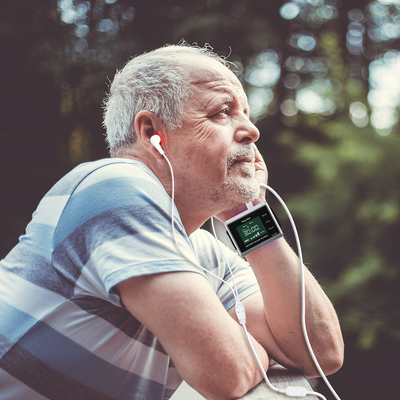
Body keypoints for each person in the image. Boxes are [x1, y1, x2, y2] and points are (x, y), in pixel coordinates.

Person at [0, 43, 344, 400]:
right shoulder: (114, 185)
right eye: (222, 112)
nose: (251, 131)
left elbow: (320, 354)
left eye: (246, 113)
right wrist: (255, 350)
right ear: (152, 133)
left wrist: (250, 213)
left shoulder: (206, 255)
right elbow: (224, 372)